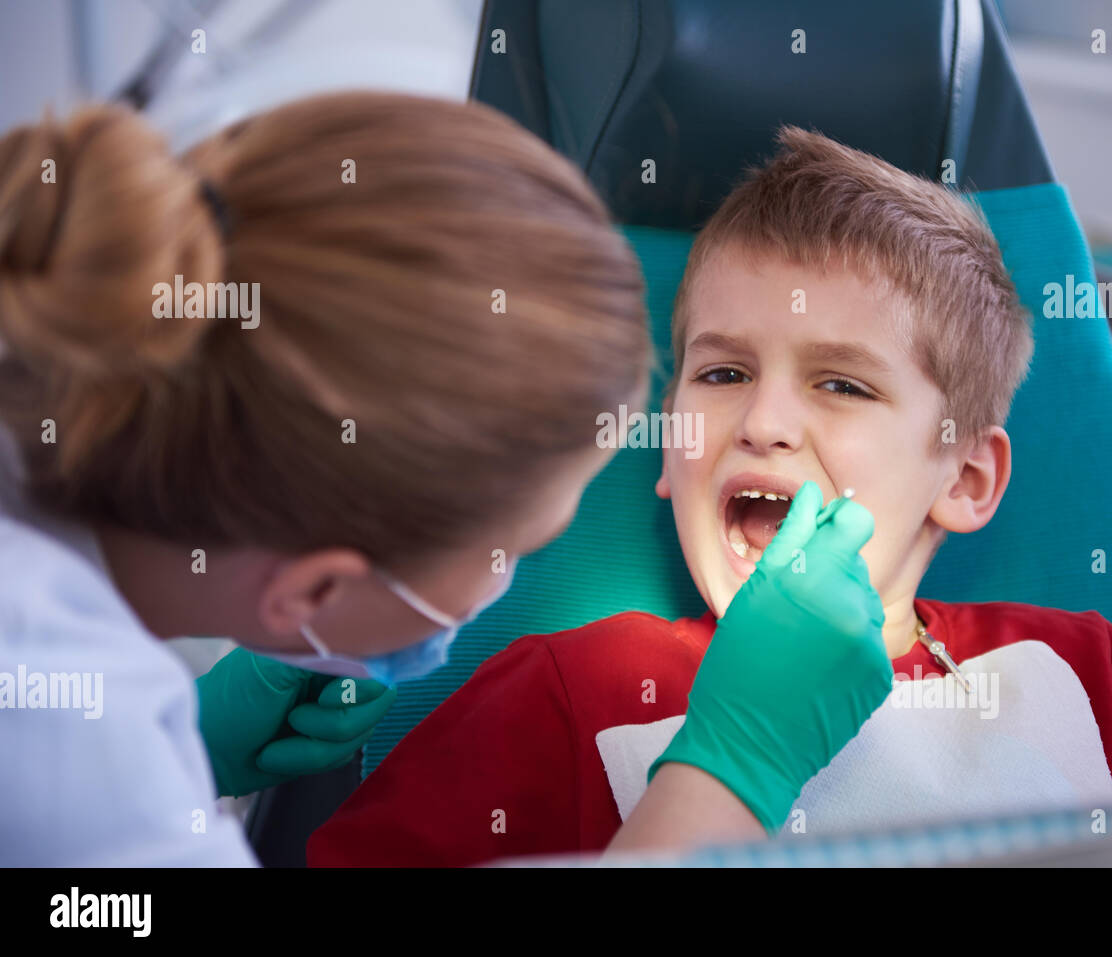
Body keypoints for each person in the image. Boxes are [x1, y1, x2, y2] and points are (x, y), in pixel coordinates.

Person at [307, 127, 1112, 867]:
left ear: (963, 478)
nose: (763, 423)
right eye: (722, 374)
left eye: (841, 384)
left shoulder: (1088, 676)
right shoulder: (569, 694)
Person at [0, 91, 650, 864]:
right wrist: (727, 771)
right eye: (507, 554)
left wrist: (187, 749)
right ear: (310, 594)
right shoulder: (97, 785)